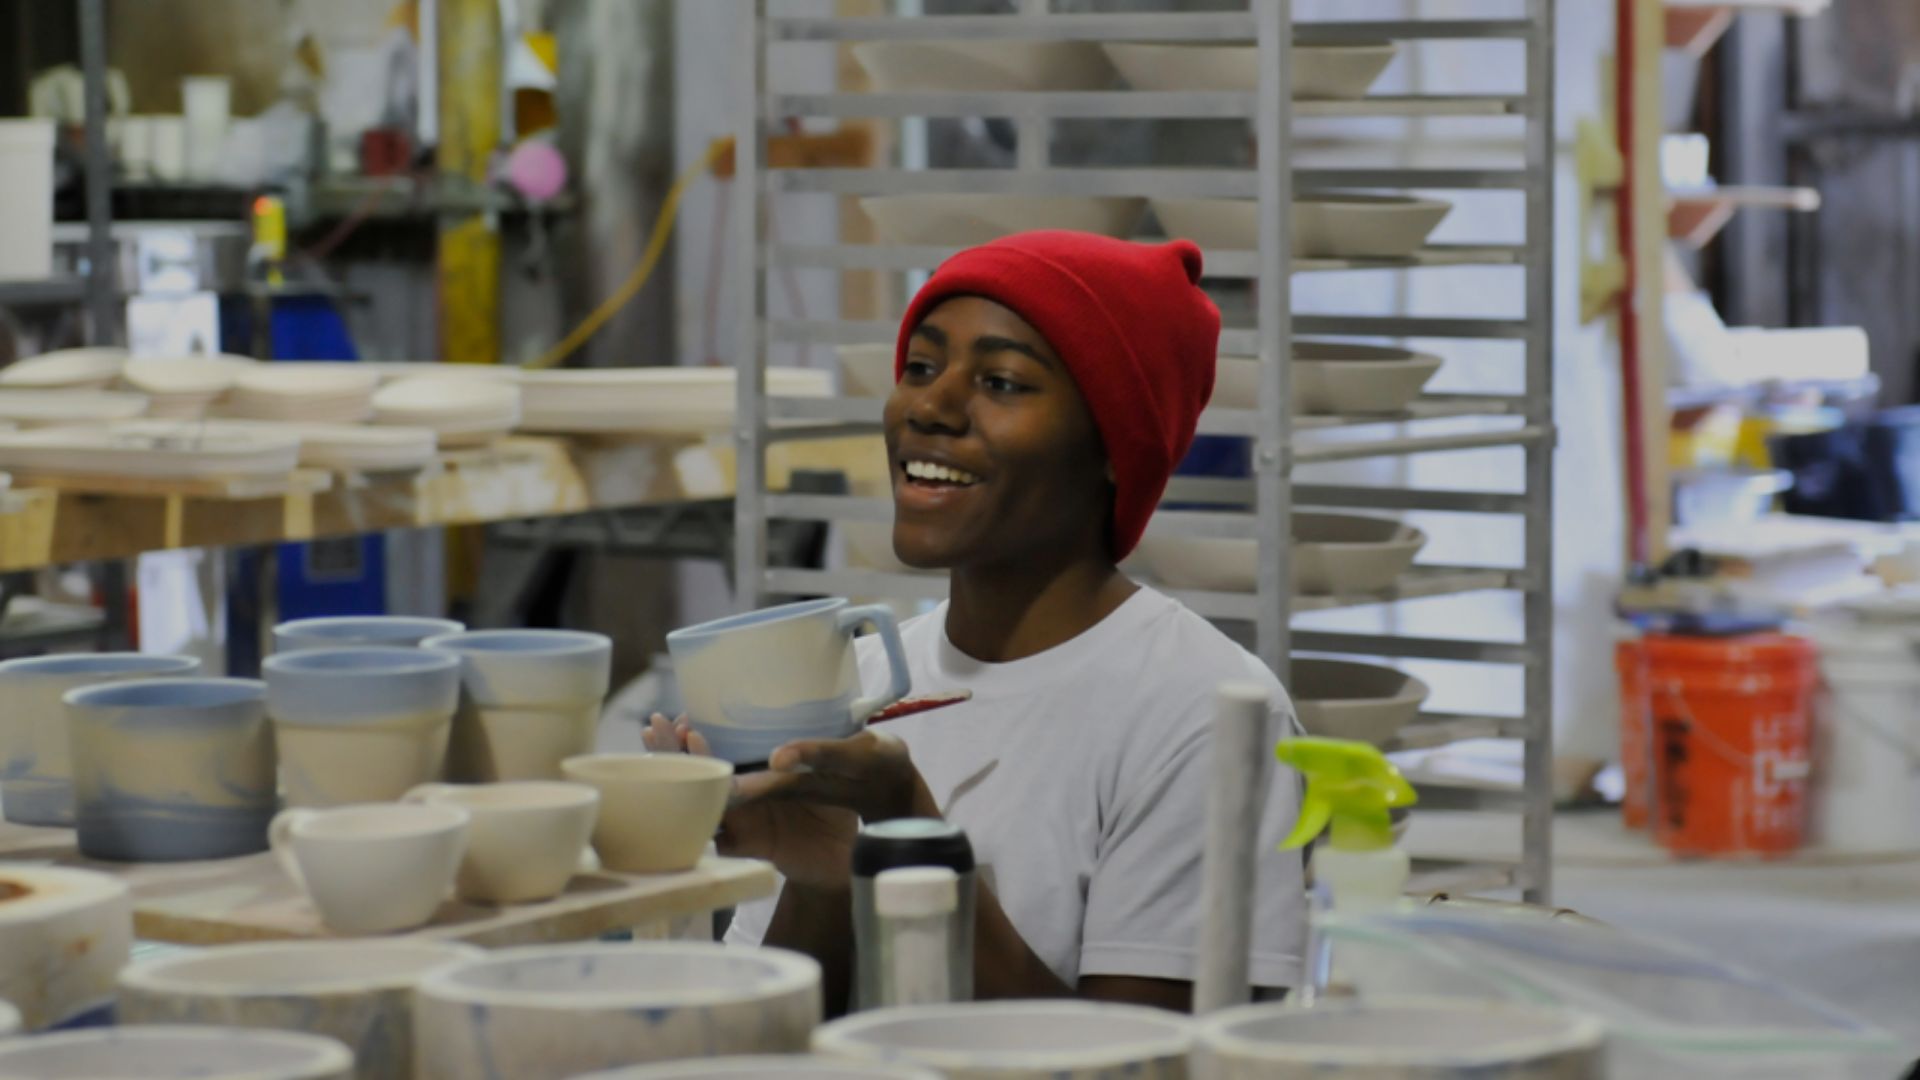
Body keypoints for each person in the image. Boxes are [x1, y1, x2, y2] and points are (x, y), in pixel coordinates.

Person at [647, 230, 1303, 1013]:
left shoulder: (1202, 713)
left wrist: (909, 833)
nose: (929, 407)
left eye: (1002, 382)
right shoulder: (858, 686)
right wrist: (827, 877)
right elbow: (775, 1046)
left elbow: (1141, 1062)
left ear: (1114, 445)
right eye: (921, 368)